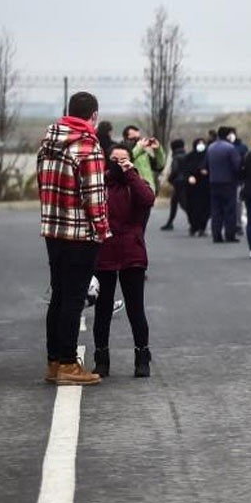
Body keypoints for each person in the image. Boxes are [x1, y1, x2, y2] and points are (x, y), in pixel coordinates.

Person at [36, 92, 108, 386]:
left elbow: (41, 184)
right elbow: (94, 196)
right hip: (80, 232)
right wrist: (101, 228)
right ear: (93, 116)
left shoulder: (48, 144)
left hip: (53, 230)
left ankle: (54, 361)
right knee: (74, 299)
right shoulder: (87, 146)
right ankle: (69, 363)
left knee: (59, 294)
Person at [91, 144, 156, 379]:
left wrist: (131, 173)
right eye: (114, 159)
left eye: (123, 159)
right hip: (105, 252)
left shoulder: (135, 184)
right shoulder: (99, 183)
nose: (118, 163)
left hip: (132, 253)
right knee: (103, 309)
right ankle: (101, 357)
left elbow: (148, 199)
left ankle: (142, 356)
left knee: (135, 308)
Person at [204, 126, 241, 243]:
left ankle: (216, 235)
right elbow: (237, 166)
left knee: (216, 210)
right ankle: (230, 235)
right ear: (227, 135)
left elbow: (206, 165)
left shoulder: (210, 147)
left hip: (213, 181)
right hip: (228, 182)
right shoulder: (230, 148)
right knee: (230, 209)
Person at [122, 125, 164, 191]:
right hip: (133, 192)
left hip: (148, 191)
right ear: (125, 139)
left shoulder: (143, 153)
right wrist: (139, 148)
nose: (137, 142)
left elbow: (160, 166)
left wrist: (158, 150)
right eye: (134, 139)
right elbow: (127, 160)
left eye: (139, 139)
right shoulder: (121, 151)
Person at [159, 139, 187, 231]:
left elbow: (175, 170)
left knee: (183, 204)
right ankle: (169, 222)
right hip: (184, 182)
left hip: (178, 182)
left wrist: (170, 179)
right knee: (174, 202)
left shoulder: (176, 157)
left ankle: (195, 221)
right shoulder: (186, 155)